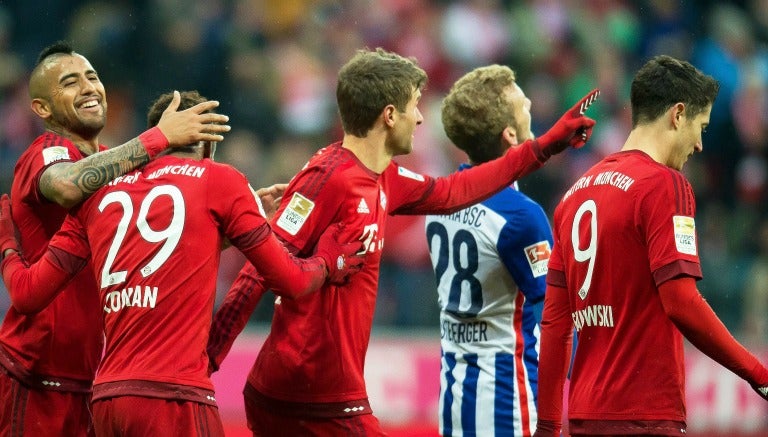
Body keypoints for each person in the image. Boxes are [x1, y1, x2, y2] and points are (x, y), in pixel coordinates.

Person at [206, 47, 598, 435]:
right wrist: (210, 356)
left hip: (318, 391)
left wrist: (547, 146)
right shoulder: (328, 177)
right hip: (309, 392)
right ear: (390, 116)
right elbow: (258, 272)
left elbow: (454, 191)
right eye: (414, 105)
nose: (422, 117)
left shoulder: (386, 178)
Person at [0, 90, 365, 436]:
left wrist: (7, 245)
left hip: (108, 399)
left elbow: (28, 293)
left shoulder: (101, 194)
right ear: (208, 144)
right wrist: (330, 261)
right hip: (175, 398)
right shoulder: (220, 179)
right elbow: (292, 282)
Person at [0, 41, 230, 437]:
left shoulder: (115, 166)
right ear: (42, 108)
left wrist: (232, 225)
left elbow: (147, 244)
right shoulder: (48, 152)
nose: (89, 87)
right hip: (35, 376)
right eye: (70, 82)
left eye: (92, 76)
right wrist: (158, 138)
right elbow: (69, 186)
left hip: (93, 380)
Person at [533, 55, 768, 437]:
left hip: (584, 416)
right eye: (700, 127)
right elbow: (682, 302)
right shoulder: (664, 185)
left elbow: (556, 324)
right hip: (645, 414)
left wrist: (546, 427)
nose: (699, 145)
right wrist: (758, 373)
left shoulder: (572, 197)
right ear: (677, 115)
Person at [425, 64, 555, 436]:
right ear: (511, 135)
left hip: (453, 397)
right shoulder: (520, 216)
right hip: (508, 404)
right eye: (520, 99)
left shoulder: (438, 200)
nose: (529, 100)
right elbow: (554, 311)